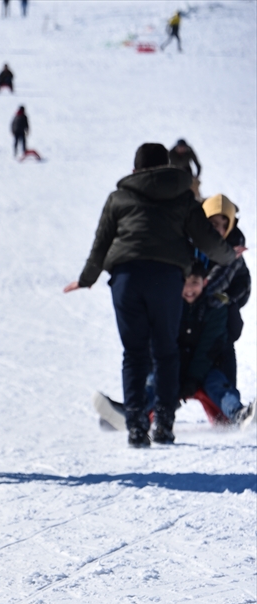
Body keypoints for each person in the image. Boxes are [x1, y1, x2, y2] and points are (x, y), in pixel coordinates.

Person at [63, 143, 239, 447]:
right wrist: (229, 256)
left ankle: (135, 426)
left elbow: (101, 243)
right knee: (165, 351)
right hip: (167, 279)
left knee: (134, 353)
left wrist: (86, 278)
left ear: (135, 170)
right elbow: (208, 241)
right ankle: (164, 425)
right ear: (168, 167)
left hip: (127, 279)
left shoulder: (118, 198)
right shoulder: (183, 197)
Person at [161, 266, 254, 426]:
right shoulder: (170, 306)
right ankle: (134, 412)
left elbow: (207, 348)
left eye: (195, 282)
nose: (190, 288)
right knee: (158, 381)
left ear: (204, 282)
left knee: (216, 382)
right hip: (175, 368)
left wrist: (193, 378)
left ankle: (238, 414)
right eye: (186, 283)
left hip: (205, 369)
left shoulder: (214, 307)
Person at [199, 194, 251, 387]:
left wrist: (227, 299)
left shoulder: (233, 248)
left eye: (223, 224)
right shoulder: (193, 243)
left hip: (225, 300)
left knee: (225, 342)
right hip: (198, 301)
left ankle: (231, 405)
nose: (219, 230)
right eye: (213, 223)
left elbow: (237, 284)